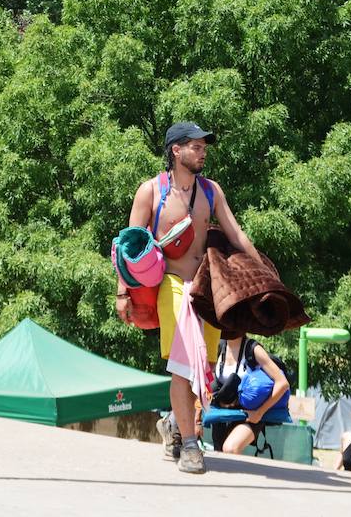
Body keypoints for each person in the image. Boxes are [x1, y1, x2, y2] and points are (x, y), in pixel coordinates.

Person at [116, 121, 260, 475]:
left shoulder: (211, 191)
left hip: (206, 287)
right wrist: (122, 292)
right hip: (171, 283)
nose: (203, 152)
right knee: (183, 363)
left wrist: (263, 274)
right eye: (195, 146)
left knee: (203, 368)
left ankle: (172, 424)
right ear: (175, 150)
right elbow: (128, 245)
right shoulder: (151, 191)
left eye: (204, 146)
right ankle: (192, 444)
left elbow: (235, 232)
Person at [216, 335, 291, 456]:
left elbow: (282, 383)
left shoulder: (253, 349)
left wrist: (259, 412)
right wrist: (198, 419)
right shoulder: (219, 346)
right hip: (222, 414)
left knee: (230, 448)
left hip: (250, 415)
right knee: (220, 458)